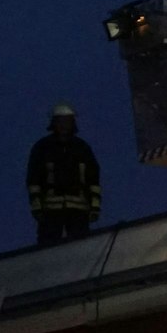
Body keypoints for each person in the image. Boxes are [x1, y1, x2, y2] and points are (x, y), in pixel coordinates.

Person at [27, 103, 101, 244]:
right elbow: (33, 179)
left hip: (78, 210)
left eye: (67, 121)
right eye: (60, 121)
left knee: (81, 247)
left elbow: (93, 179)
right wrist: (36, 205)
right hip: (50, 211)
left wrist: (95, 205)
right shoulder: (42, 148)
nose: (64, 125)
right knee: (48, 249)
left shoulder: (82, 148)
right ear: (53, 123)